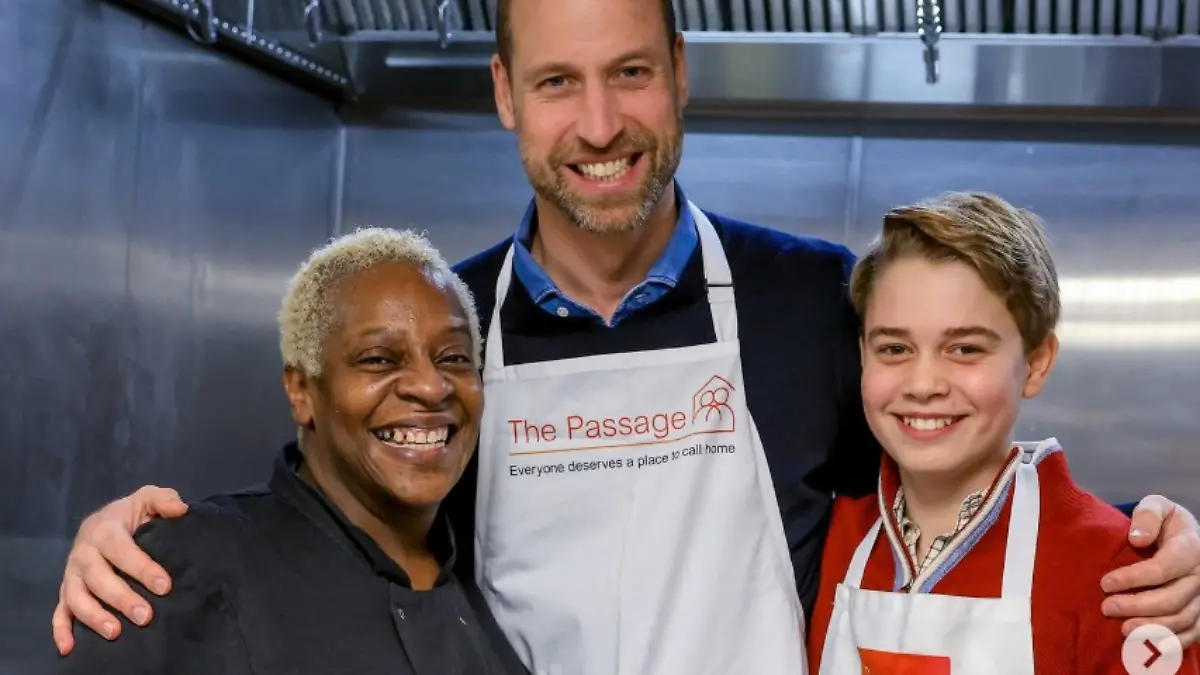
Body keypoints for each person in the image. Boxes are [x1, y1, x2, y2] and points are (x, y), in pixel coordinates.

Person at [50, 0, 1200, 672]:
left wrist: (1151, 541)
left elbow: (951, 464)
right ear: (506, 94)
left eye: (631, 74)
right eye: (558, 82)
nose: (599, 125)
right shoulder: (448, 344)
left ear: (680, 76)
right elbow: (325, 527)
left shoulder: (811, 302)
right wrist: (149, 544)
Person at [55, 228, 530, 675]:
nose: (431, 386)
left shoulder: (486, 578)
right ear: (301, 390)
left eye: (453, 357)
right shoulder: (179, 569)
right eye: (379, 359)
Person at [806, 193, 1200, 675]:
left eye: (965, 348)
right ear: (862, 355)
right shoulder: (822, 537)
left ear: (1035, 365)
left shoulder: (1120, 570)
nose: (924, 385)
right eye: (894, 347)